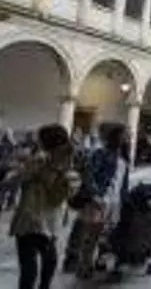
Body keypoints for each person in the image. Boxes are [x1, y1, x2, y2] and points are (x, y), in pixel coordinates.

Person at [9, 124, 78, 289]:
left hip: (30, 217)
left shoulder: (39, 160)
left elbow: (16, 178)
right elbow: (71, 191)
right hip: (52, 218)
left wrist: (17, 171)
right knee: (49, 258)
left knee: (28, 264)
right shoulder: (68, 163)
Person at [74, 123, 130, 280]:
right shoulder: (101, 153)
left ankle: (100, 261)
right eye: (125, 134)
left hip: (114, 202)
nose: (128, 137)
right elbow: (89, 175)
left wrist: (124, 200)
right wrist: (96, 195)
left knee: (107, 235)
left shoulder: (123, 156)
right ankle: (84, 266)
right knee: (91, 236)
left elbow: (122, 182)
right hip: (100, 200)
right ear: (116, 136)